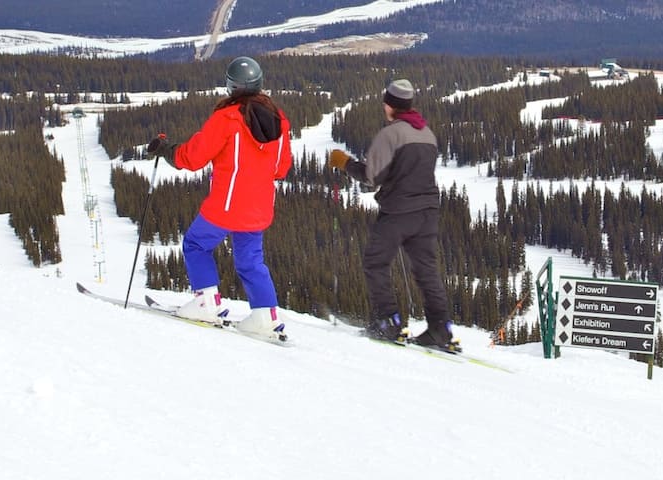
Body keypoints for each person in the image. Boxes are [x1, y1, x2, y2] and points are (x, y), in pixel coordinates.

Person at [143, 56, 293, 341]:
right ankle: (265, 316)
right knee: (250, 260)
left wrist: (165, 150)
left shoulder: (227, 118)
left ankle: (206, 302)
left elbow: (194, 156)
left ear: (231, 86)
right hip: (260, 205)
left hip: (226, 204)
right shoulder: (279, 120)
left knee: (196, 244)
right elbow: (281, 168)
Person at [325, 79, 459, 352]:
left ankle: (388, 322)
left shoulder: (391, 135)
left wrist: (344, 163)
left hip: (398, 211)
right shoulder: (427, 134)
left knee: (376, 262)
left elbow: (372, 177)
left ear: (391, 105)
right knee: (427, 271)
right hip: (428, 211)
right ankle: (440, 329)